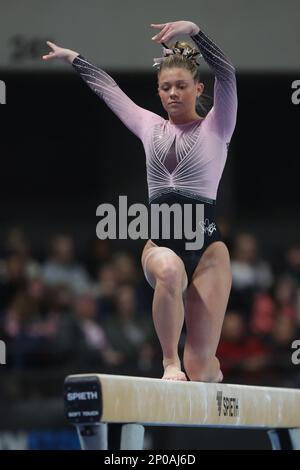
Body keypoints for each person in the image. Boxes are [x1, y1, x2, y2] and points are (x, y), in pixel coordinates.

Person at [42, 20, 237, 382]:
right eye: (165, 87)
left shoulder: (218, 126)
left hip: (209, 249)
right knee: (169, 271)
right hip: (160, 244)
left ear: (198, 88)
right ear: (159, 92)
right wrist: (74, 59)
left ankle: (210, 375)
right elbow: (109, 91)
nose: (173, 93)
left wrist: (195, 31)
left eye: (181, 86)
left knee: (202, 366)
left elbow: (227, 73)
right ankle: (169, 363)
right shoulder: (149, 126)